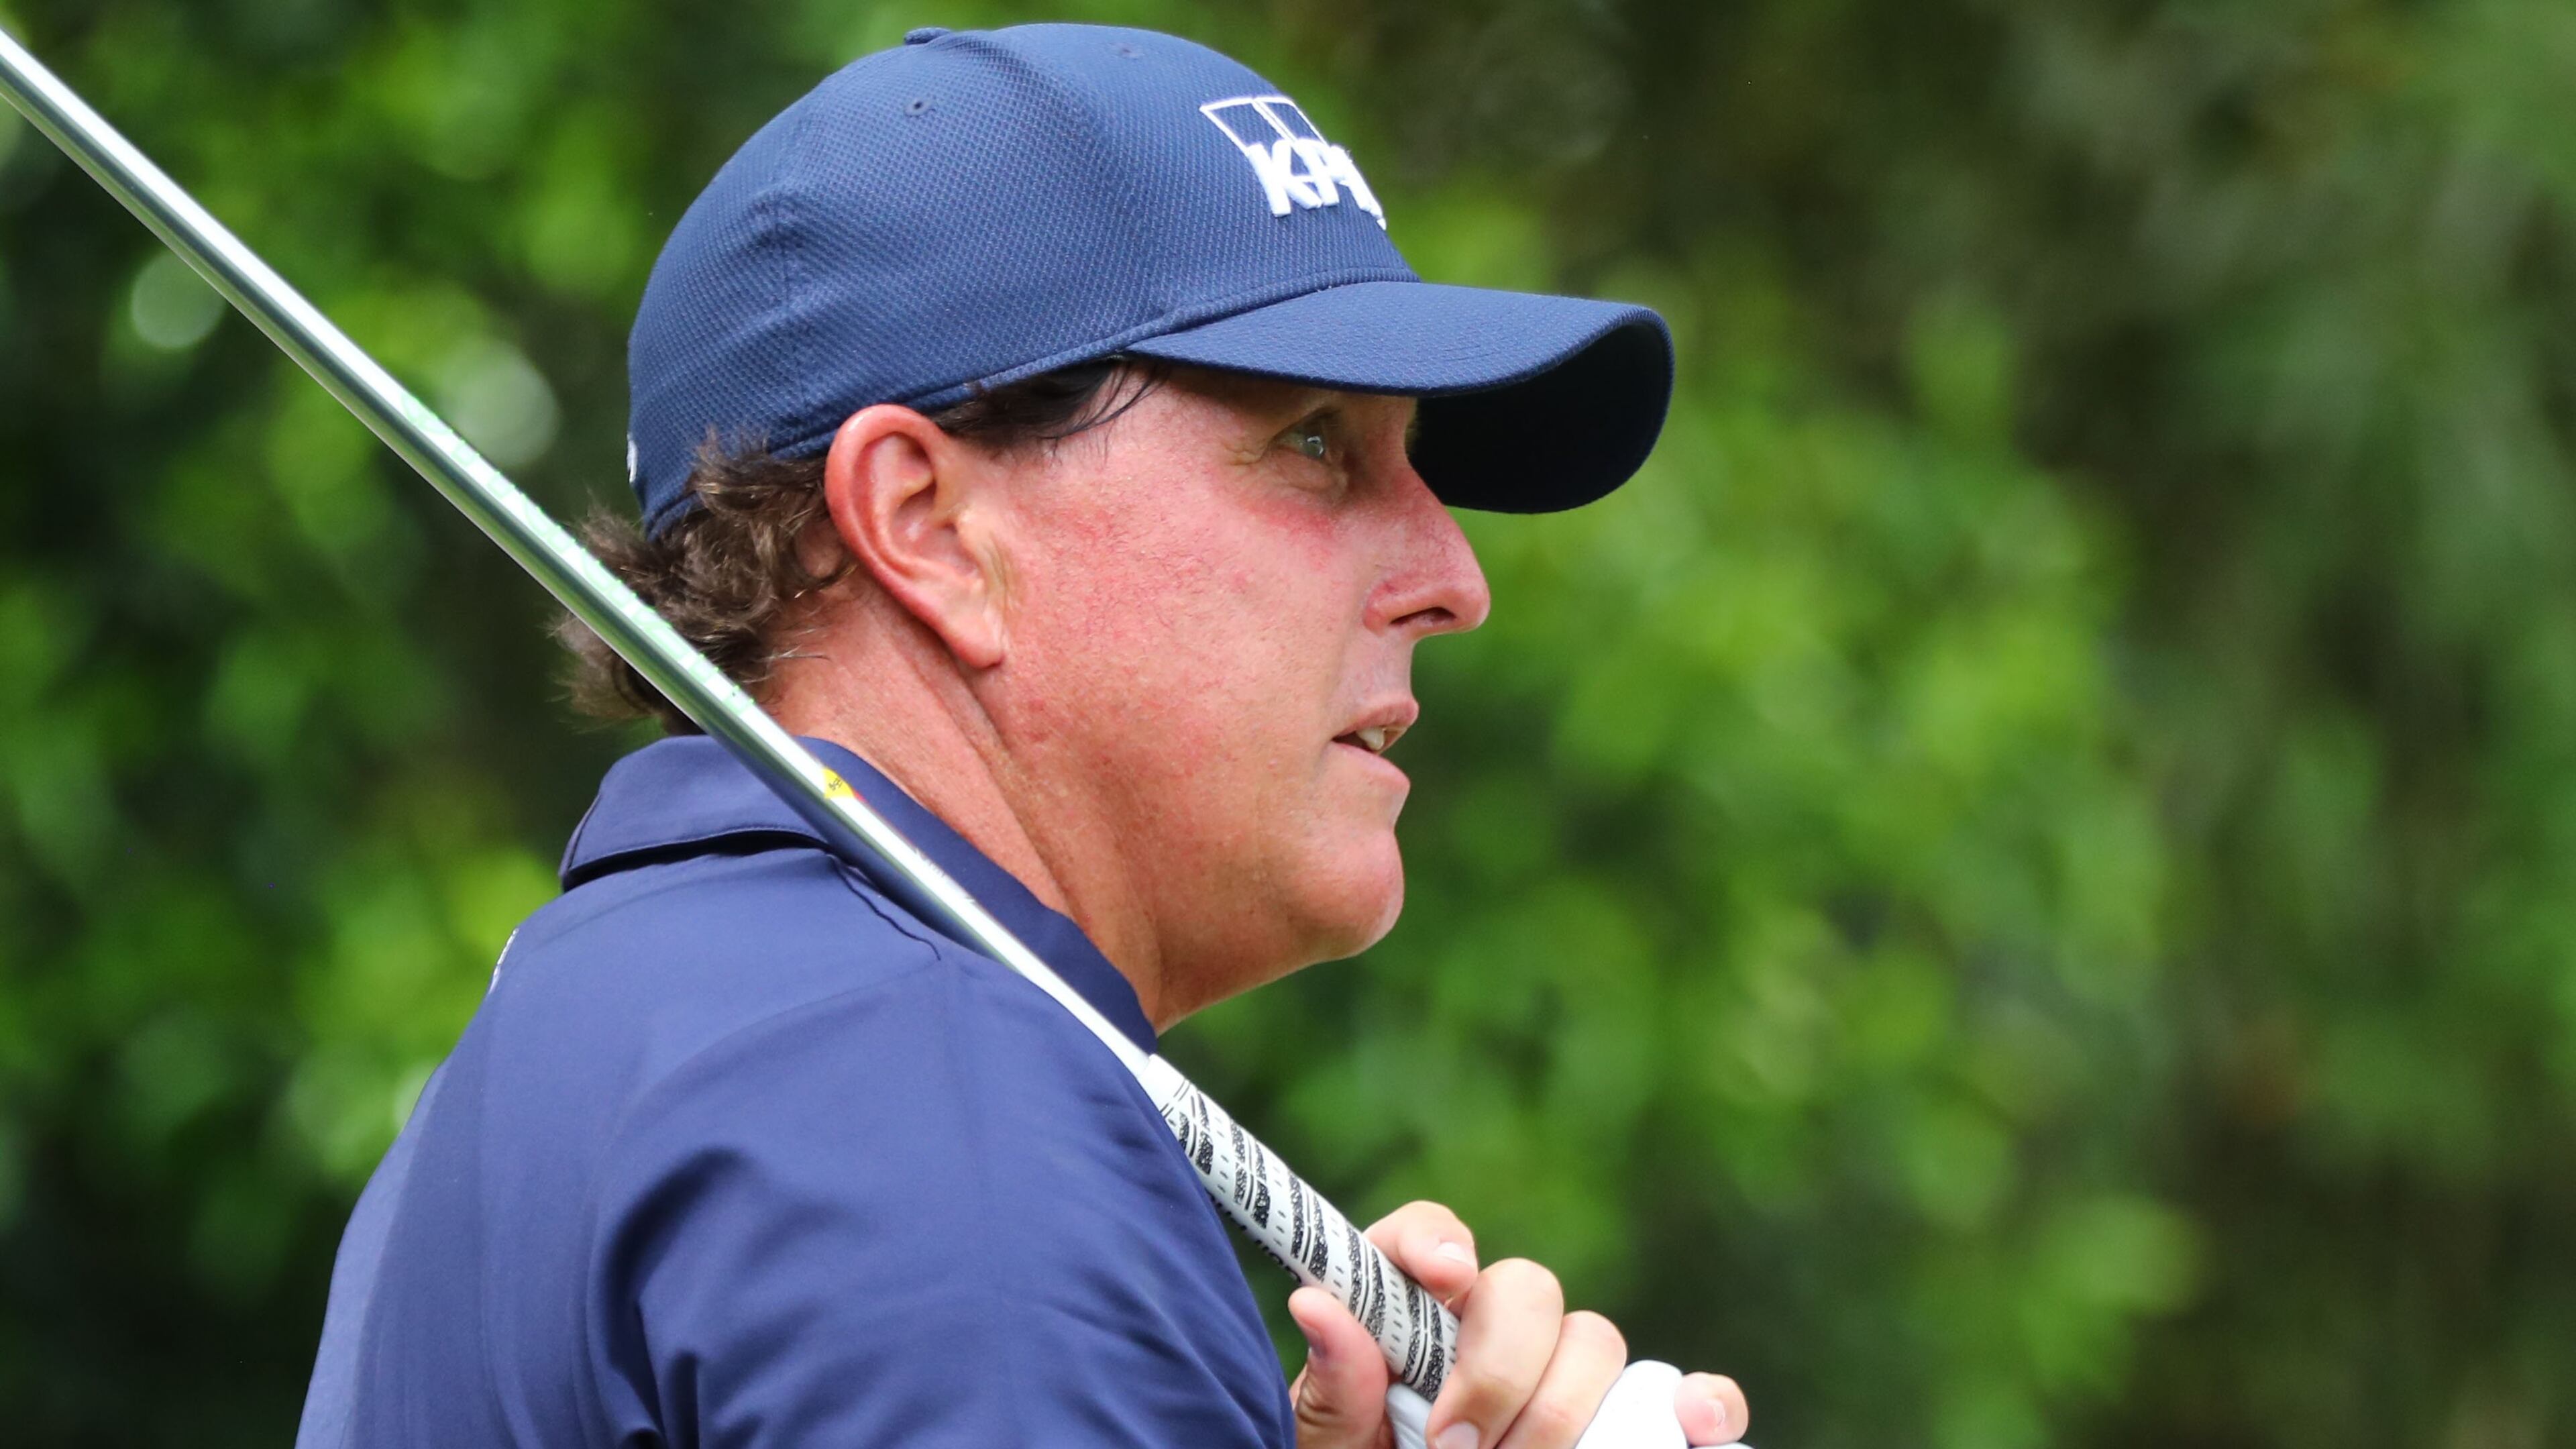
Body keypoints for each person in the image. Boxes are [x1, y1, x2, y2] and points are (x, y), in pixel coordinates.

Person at [296, 21, 1751, 1449]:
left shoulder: (628, 1043)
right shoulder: (931, 1117)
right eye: (1313, 440)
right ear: (927, 527)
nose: (1456, 581)